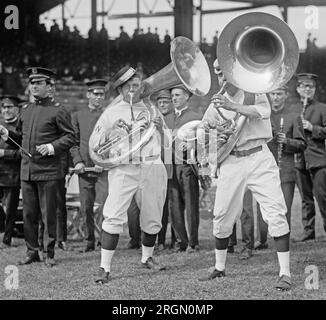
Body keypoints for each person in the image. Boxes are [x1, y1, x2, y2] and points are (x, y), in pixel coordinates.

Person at [198, 63, 291, 291]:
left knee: (275, 211)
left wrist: (233, 106)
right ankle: (220, 267)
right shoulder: (215, 104)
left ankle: (285, 273)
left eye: (224, 70)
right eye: (217, 72)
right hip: (232, 161)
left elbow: (264, 112)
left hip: (259, 156)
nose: (220, 75)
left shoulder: (254, 91)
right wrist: (215, 134)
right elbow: (204, 133)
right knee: (221, 214)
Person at [89, 66, 170, 284]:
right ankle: (104, 268)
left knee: (153, 216)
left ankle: (147, 258)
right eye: (129, 86)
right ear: (121, 89)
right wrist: (122, 135)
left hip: (152, 165)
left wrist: (160, 128)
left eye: (137, 85)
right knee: (113, 216)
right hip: (124, 168)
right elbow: (97, 146)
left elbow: (169, 143)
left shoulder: (153, 109)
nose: (134, 89)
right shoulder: (111, 113)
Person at [0, 67, 75, 267]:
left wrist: (52, 147)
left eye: (39, 83)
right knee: (28, 214)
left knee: (48, 214)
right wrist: (7, 135)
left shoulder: (58, 110)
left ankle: (48, 253)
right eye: (32, 83)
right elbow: (20, 137)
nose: (34, 86)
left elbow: (70, 137)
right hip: (28, 171)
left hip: (49, 171)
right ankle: (32, 251)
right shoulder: (25, 110)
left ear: (49, 87)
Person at [70, 79, 109, 252]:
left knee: (104, 206)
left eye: (102, 94)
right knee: (86, 206)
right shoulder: (77, 116)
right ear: (88, 95)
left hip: (102, 170)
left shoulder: (109, 115)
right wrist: (77, 161)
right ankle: (89, 241)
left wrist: (105, 162)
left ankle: (103, 240)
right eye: (95, 94)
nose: (99, 97)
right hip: (84, 169)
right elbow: (73, 143)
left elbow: (115, 142)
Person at [165, 84, 201, 253]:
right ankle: (181, 242)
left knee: (191, 206)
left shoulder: (195, 116)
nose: (174, 98)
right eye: (172, 95)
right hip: (170, 167)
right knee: (174, 208)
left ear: (187, 96)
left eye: (178, 95)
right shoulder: (168, 118)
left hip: (187, 166)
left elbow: (203, 142)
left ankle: (193, 242)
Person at [294, 73, 326, 241]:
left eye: (311, 87)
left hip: (319, 160)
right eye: (304, 86)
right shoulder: (294, 110)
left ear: (314, 89)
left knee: (323, 197)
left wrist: (312, 127)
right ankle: (308, 232)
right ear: (298, 89)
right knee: (306, 200)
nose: (307, 89)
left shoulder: (322, 108)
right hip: (300, 161)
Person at [0, 95, 21, 249]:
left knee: (11, 210)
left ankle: (7, 238)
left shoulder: (21, 127)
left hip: (12, 175)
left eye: (9, 107)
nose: (6, 110)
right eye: (4, 107)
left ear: (17, 109)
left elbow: (23, 153)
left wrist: (4, 154)